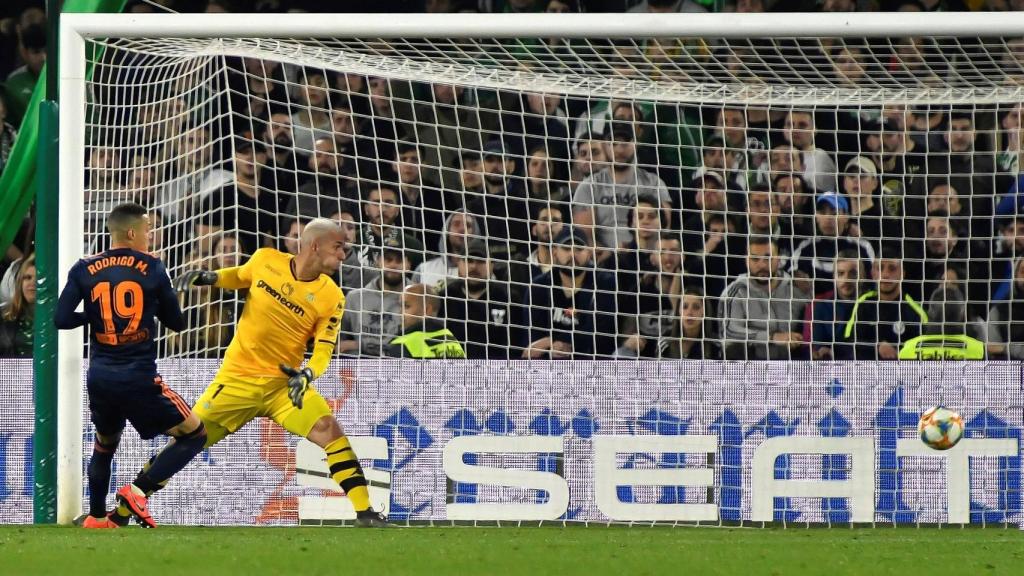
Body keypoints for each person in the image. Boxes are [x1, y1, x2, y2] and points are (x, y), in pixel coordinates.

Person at [174, 217, 389, 527]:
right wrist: (212, 277)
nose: (344, 255)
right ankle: (130, 501)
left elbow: (324, 349)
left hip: (283, 387)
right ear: (315, 245)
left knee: (329, 430)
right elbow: (240, 275)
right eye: (339, 247)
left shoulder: (332, 296)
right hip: (239, 380)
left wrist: (307, 375)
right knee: (191, 439)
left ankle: (365, 512)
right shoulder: (265, 259)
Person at [54, 203, 205, 529]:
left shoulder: (84, 267)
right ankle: (137, 492)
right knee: (195, 435)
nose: (151, 237)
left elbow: (61, 319)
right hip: (138, 376)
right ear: (133, 233)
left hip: (101, 377)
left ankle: (96, 518)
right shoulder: (152, 267)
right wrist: (166, 300)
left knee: (105, 443)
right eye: (149, 230)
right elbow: (177, 323)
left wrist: (94, 318)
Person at [720, 236, 809, 360]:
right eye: (755, 259)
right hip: (751, 364)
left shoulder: (797, 288)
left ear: (778, 260)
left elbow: (813, 322)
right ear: (747, 261)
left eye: (768, 258)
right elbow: (728, 331)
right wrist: (772, 337)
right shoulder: (735, 291)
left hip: (792, 363)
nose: (762, 265)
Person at [386, 284, 465, 359]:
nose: (400, 313)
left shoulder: (402, 345)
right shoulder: (451, 340)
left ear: (427, 310)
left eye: (406, 306)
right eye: (401, 306)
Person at [0, 253, 34, 357]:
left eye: (39, 278)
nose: (33, 283)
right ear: (20, 283)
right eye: (27, 277)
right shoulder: (6, 320)